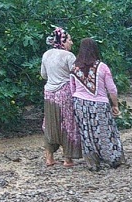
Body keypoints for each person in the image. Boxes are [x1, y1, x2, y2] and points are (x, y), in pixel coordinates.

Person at [70, 37, 124, 171]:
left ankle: (92, 162)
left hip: (80, 103)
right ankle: (113, 158)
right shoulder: (102, 67)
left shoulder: (74, 68)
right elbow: (112, 89)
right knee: (105, 131)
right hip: (99, 104)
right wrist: (115, 105)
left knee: (86, 133)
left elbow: (72, 89)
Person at [40, 26, 79, 168]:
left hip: (49, 94)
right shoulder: (69, 56)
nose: (72, 43)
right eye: (69, 39)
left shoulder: (46, 54)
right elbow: (77, 74)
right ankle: (67, 159)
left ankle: (49, 158)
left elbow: (43, 75)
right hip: (65, 93)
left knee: (50, 123)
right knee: (67, 123)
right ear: (62, 41)